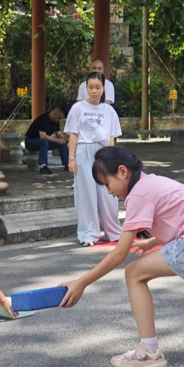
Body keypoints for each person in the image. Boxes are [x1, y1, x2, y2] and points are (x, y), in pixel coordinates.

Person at [59, 146, 184, 367]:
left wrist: (81, 283)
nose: (109, 192)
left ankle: (149, 352)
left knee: (133, 273)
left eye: (107, 183)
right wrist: (151, 242)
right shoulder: (155, 181)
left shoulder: (138, 194)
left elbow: (119, 253)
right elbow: (181, 215)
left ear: (122, 171)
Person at [65, 72, 123, 247]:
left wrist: (112, 158)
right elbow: (73, 135)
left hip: (103, 151)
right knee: (86, 194)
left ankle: (113, 232)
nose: (94, 91)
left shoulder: (109, 110)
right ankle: (88, 234)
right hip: (84, 150)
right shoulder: (77, 108)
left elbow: (112, 137)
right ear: (85, 88)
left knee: (108, 192)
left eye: (97, 87)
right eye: (90, 87)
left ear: (104, 88)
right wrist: (71, 158)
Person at [24, 106, 69, 175]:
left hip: (44, 143)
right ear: (53, 114)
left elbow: (59, 134)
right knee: (44, 141)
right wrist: (58, 140)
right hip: (30, 142)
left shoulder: (55, 121)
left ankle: (67, 164)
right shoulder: (43, 119)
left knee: (62, 143)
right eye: (59, 118)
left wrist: (65, 140)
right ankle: (43, 166)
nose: (59, 120)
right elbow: (43, 136)